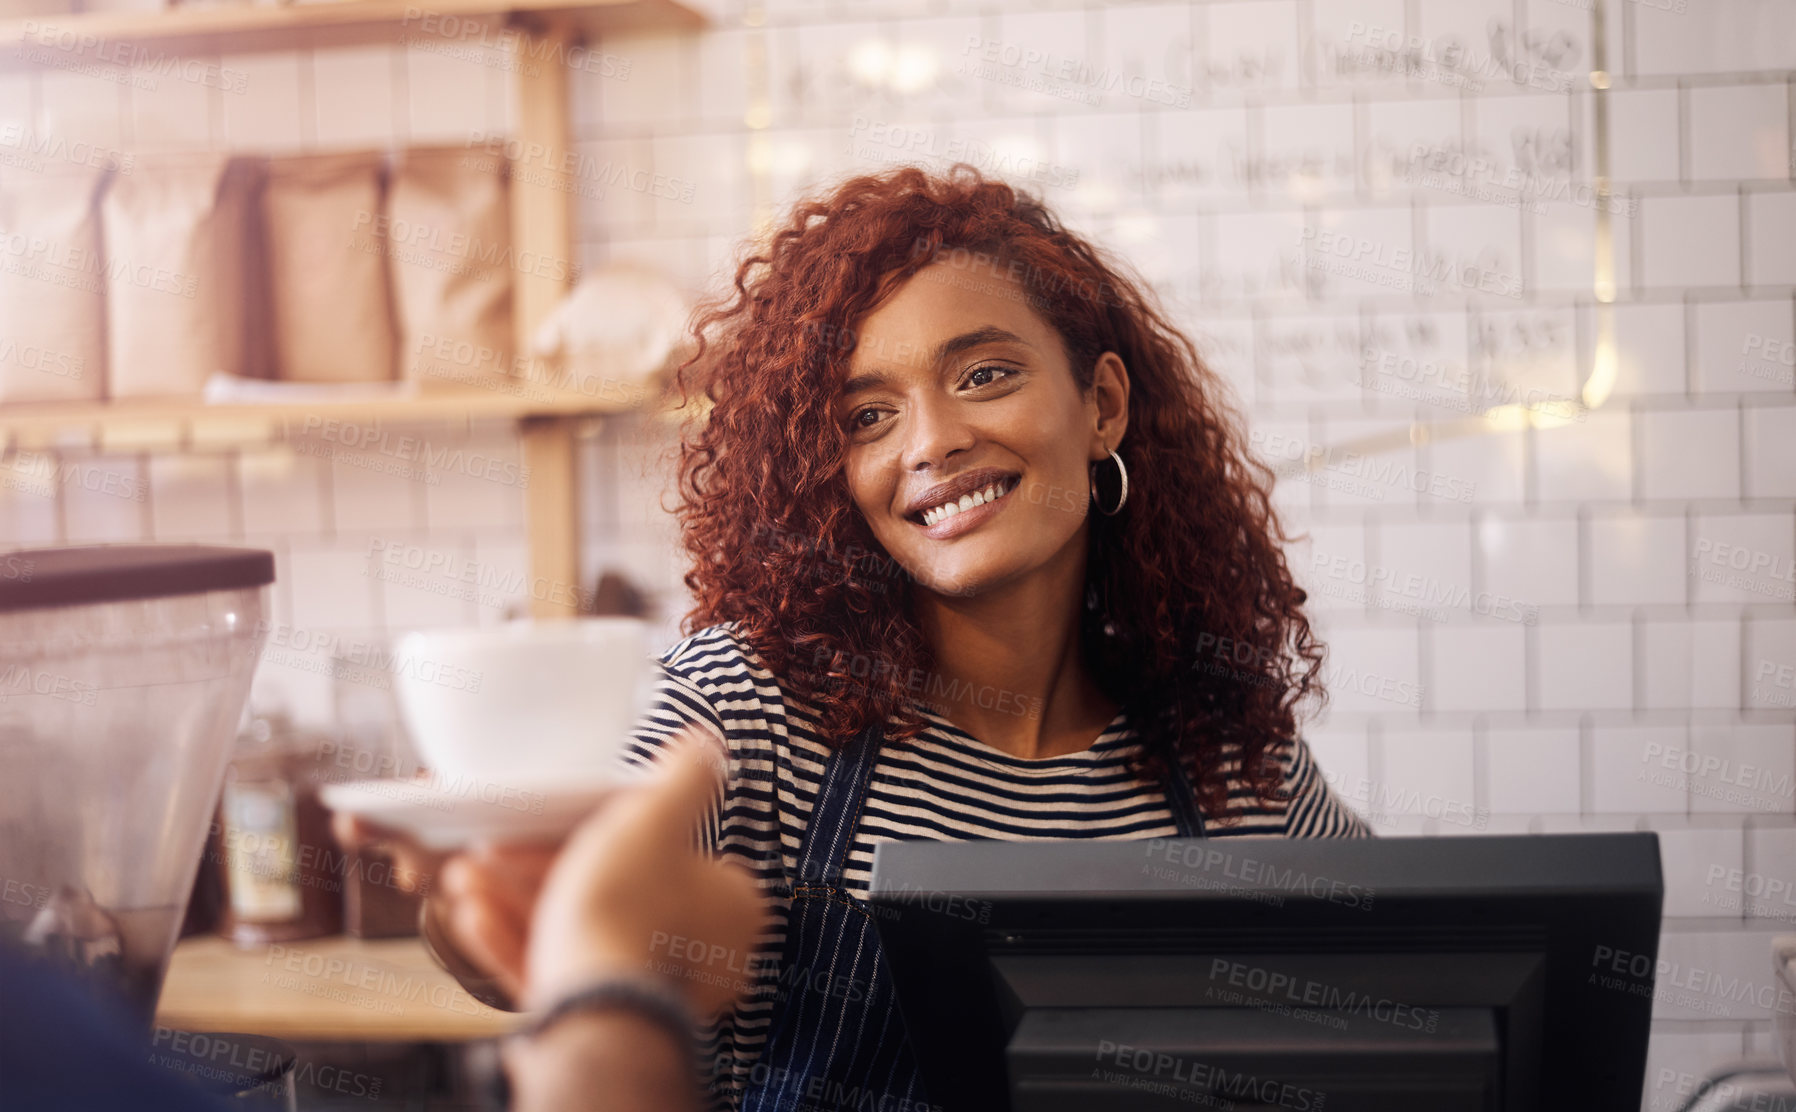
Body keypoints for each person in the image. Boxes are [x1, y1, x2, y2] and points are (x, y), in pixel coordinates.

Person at [367, 162, 1375, 1112]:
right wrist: (473, 894)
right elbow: (572, 904)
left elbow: (1418, 990)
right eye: (866, 415)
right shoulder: (746, 710)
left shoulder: (1235, 759)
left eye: (982, 374)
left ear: (1100, 404)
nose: (930, 441)